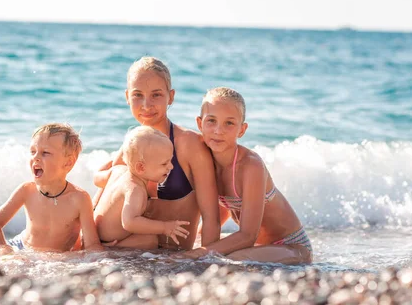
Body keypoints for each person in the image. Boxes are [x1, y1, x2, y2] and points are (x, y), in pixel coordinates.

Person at [93, 57, 220, 250]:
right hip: (128, 258)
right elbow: (102, 195)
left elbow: (212, 216)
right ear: (127, 97)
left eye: (156, 95)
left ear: (171, 96)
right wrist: (91, 245)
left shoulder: (190, 144)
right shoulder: (134, 142)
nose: (146, 104)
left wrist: (205, 260)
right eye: (137, 95)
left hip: (174, 260)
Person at [184, 87, 312, 264]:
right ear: (200, 124)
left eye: (229, 123)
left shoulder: (251, 166)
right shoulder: (207, 162)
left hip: (292, 247)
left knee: (230, 259)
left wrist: (199, 252)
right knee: (211, 254)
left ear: (242, 130)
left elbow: (247, 235)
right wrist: (198, 243)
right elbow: (220, 211)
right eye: (211, 121)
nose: (218, 130)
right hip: (258, 247)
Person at [0, 123, 102, 255]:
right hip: (21, 248)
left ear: (68, 162)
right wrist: (3, 250)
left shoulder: (79, 199)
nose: (35, 157)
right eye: (33, 151)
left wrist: (103, 259)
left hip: (57, 257)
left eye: (45, 153)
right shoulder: (26, 190)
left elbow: (92, 244)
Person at [94, 126, 190, 249]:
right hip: (109, 240)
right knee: (150, 240)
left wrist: (109, 165)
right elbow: (129, 222)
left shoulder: (117, 171)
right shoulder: (135, 189)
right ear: (140, 168)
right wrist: (164, 227)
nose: (171, 167)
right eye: (164, 163)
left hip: (96, 233)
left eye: (170, 161)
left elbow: (97, 180)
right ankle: (112, 248)